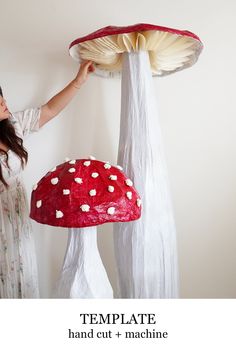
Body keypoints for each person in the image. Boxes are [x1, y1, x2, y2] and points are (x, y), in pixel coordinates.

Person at [0, 60, 95, 298]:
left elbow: (50, 110)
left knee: (23, 274)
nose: (3, 100)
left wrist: (78, 81)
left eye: (1, 95)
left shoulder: (13, 127)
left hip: (18, 219)